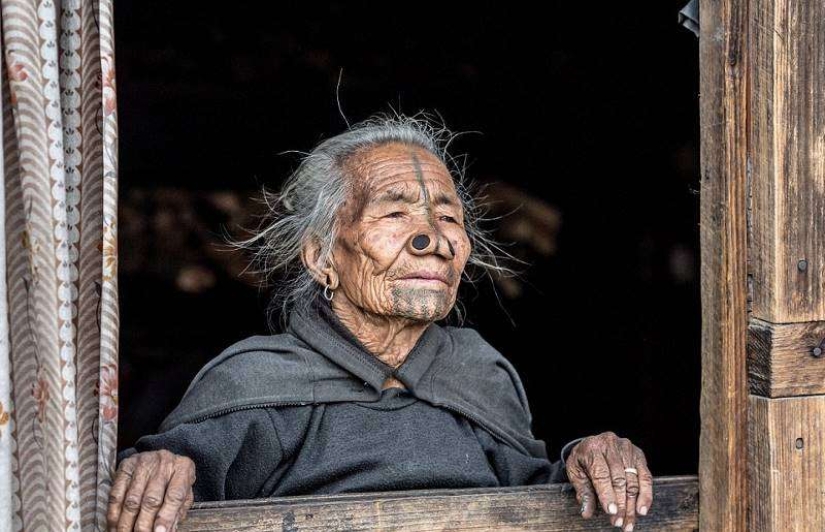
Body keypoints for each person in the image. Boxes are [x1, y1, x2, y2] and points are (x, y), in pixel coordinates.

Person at [107, 112, 653, 532]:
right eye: (395, 214)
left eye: (447, 217)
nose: (434, 240)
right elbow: (170, 484)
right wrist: (158, 469)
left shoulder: (481, 372)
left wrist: (587, 460)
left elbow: (531, 497)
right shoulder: (253, 382)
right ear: (322, 256)